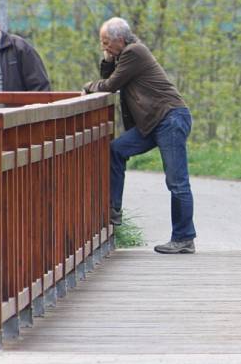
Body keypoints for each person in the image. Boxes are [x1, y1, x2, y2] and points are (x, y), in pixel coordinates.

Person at [83, 17, 196, 255]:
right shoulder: (125, 54)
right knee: (116, 150)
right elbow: (111, 75)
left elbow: (111, 84)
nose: (104, 47)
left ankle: (184, 237)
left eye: (106, 43)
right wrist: (107, 59)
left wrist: (88, 86)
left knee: (177, 182)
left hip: (170, 118)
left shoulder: (135, 52)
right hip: (153, 122)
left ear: (120, 40)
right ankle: (114, 210)